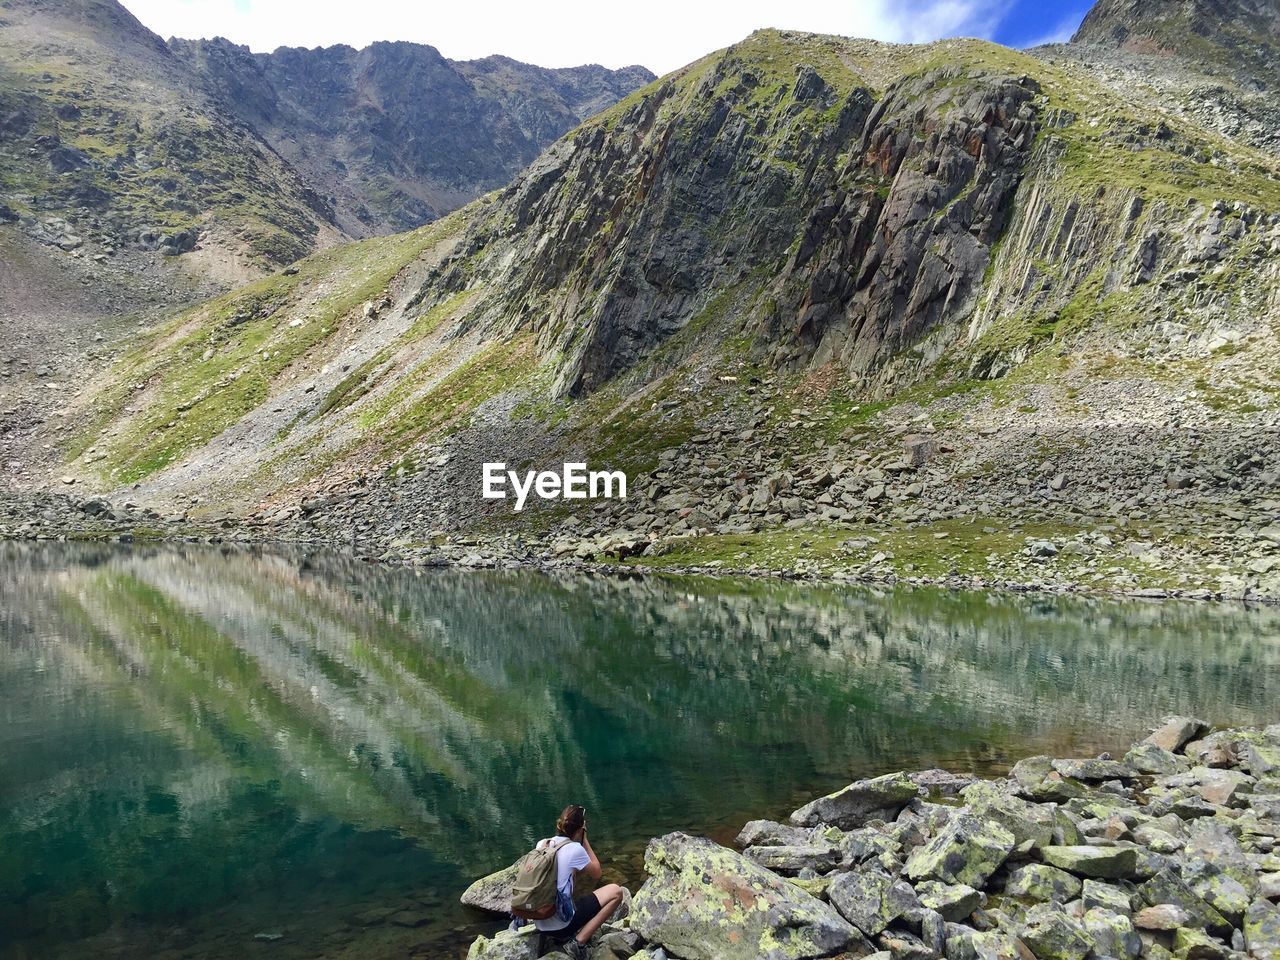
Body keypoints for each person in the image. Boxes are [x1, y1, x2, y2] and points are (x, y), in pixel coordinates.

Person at [532, 803, 624, 958]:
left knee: (569, 874)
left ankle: (562, 924)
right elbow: (597, 873)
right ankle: (578, 942)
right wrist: (584, 839)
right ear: (580, 828)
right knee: (616, 891)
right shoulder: (575, 849)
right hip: (561, 927)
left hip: (540, 921)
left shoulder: (543, 844)